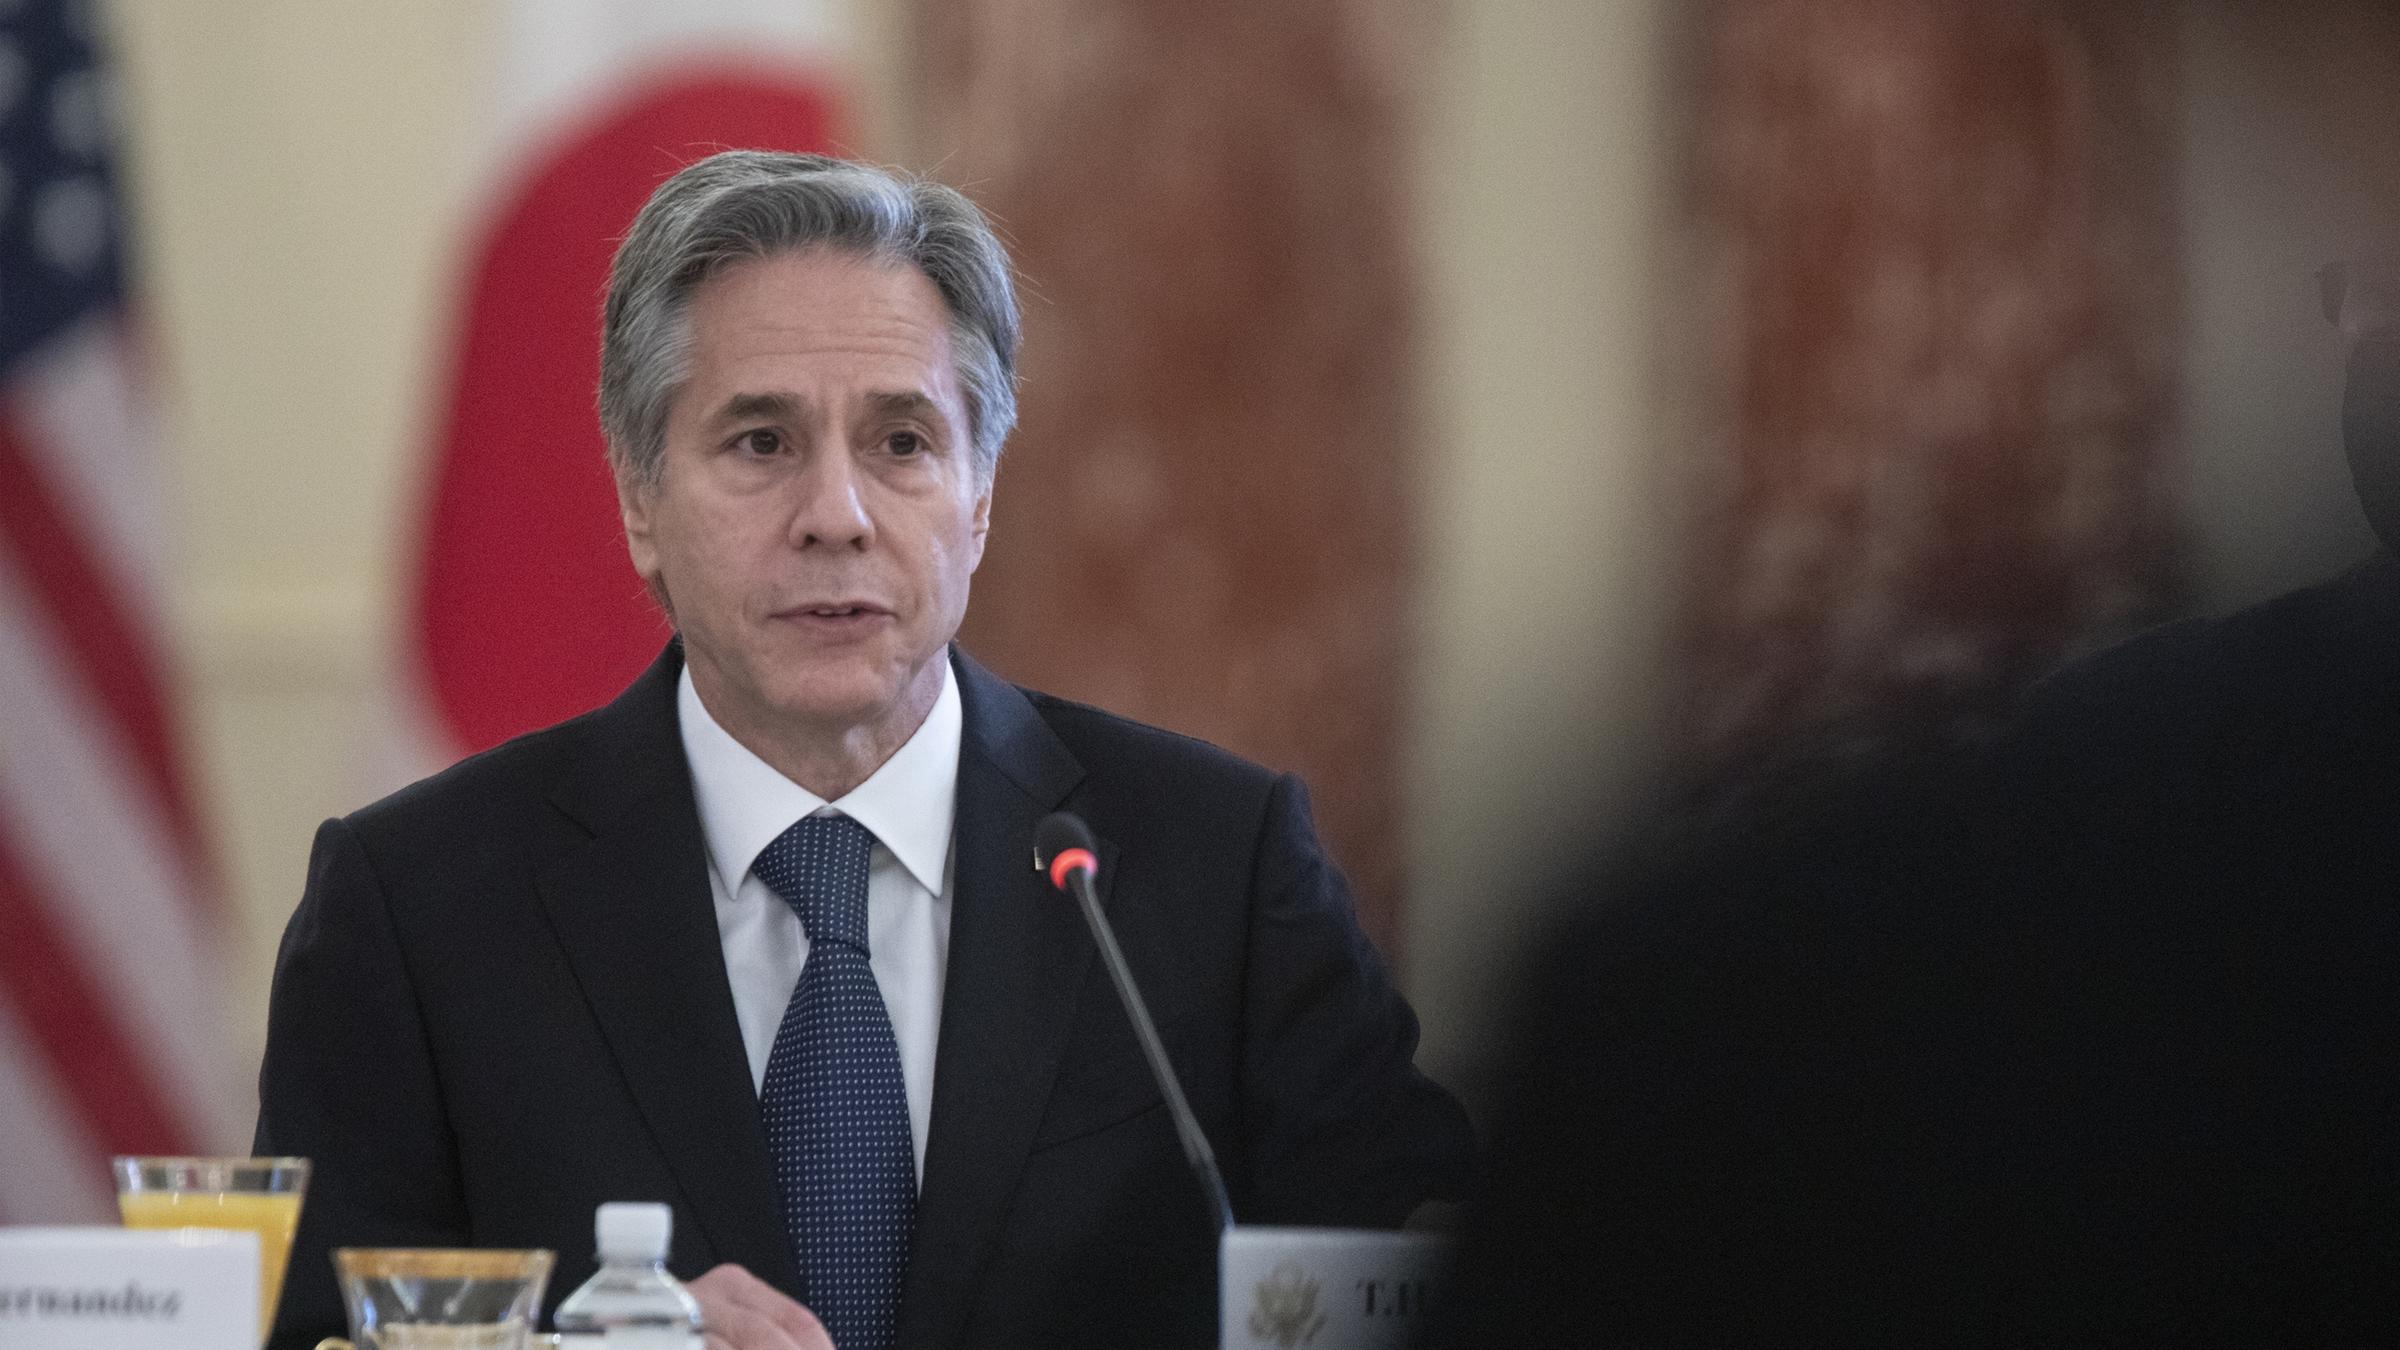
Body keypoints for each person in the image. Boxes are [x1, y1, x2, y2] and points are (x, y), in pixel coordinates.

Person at [255, 152, 1473, 1350]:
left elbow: (1455, 1285)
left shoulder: (1217, 871)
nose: (836, 516)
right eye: (761, 443)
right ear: (638, 498)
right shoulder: (419, 909)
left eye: (901, 443)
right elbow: (315, 1334)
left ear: (979, 494)